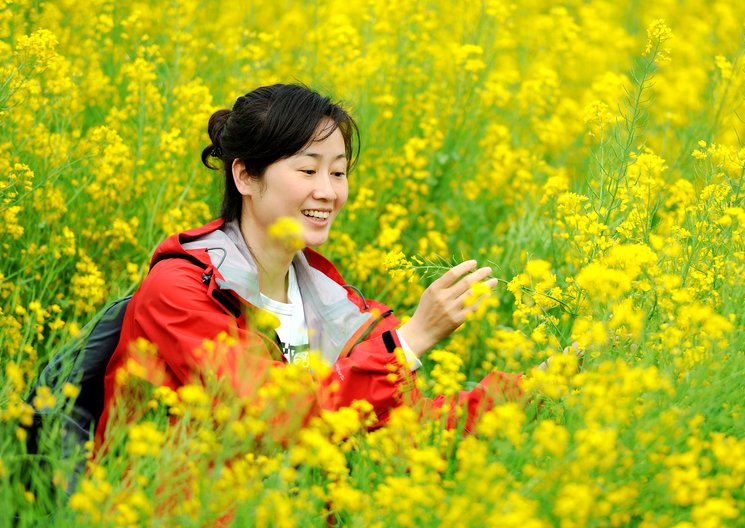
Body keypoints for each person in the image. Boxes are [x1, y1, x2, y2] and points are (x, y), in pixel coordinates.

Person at [95, 83, 515, 452]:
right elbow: (270, 414)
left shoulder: (337, 305)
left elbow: (407, 430)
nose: (328, 191)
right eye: (308, 170)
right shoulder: (181, 291)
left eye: (338, 172)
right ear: (245, 176)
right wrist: (410, 341)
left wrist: (534, 392)